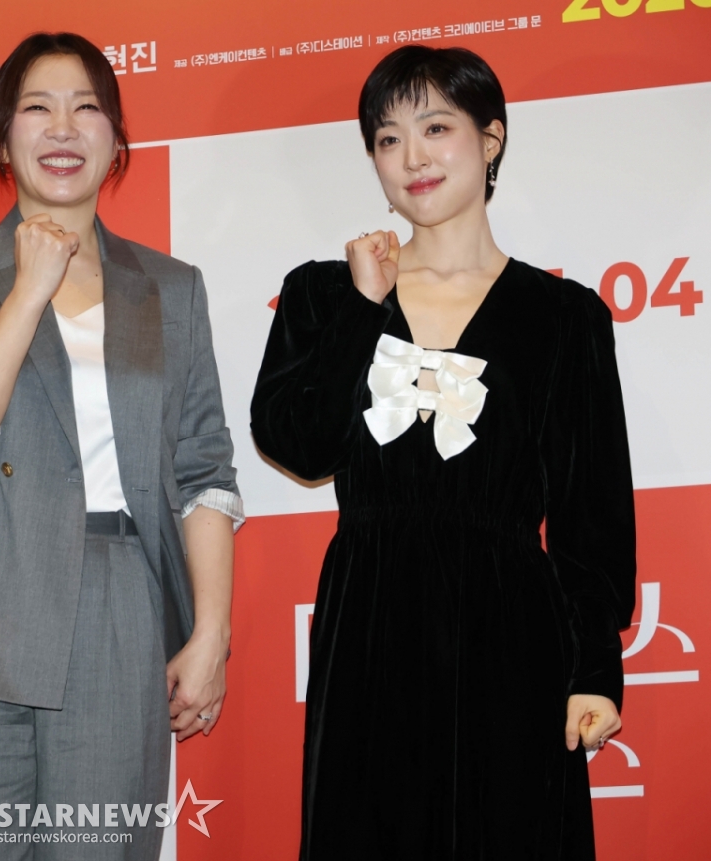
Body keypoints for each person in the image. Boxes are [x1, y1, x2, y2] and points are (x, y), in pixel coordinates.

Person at [0, 32, 242, 861]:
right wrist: (30, 288)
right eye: (37, 108)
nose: (63, 128)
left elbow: (203, 469)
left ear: (116, 140)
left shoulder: (173, 288)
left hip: (116, 606)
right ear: (2, 138)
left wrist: (210, 633)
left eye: (86, 107)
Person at [251, 45, 636, 859]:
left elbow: (588, 509)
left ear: (490, 139)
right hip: (371, 618)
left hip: (512, 629)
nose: (413, 156)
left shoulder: (565, 317)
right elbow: (298, 443)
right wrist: (364, 307)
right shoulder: (326, 290)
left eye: (436, 127)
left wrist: (594, 665)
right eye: (388, 139)